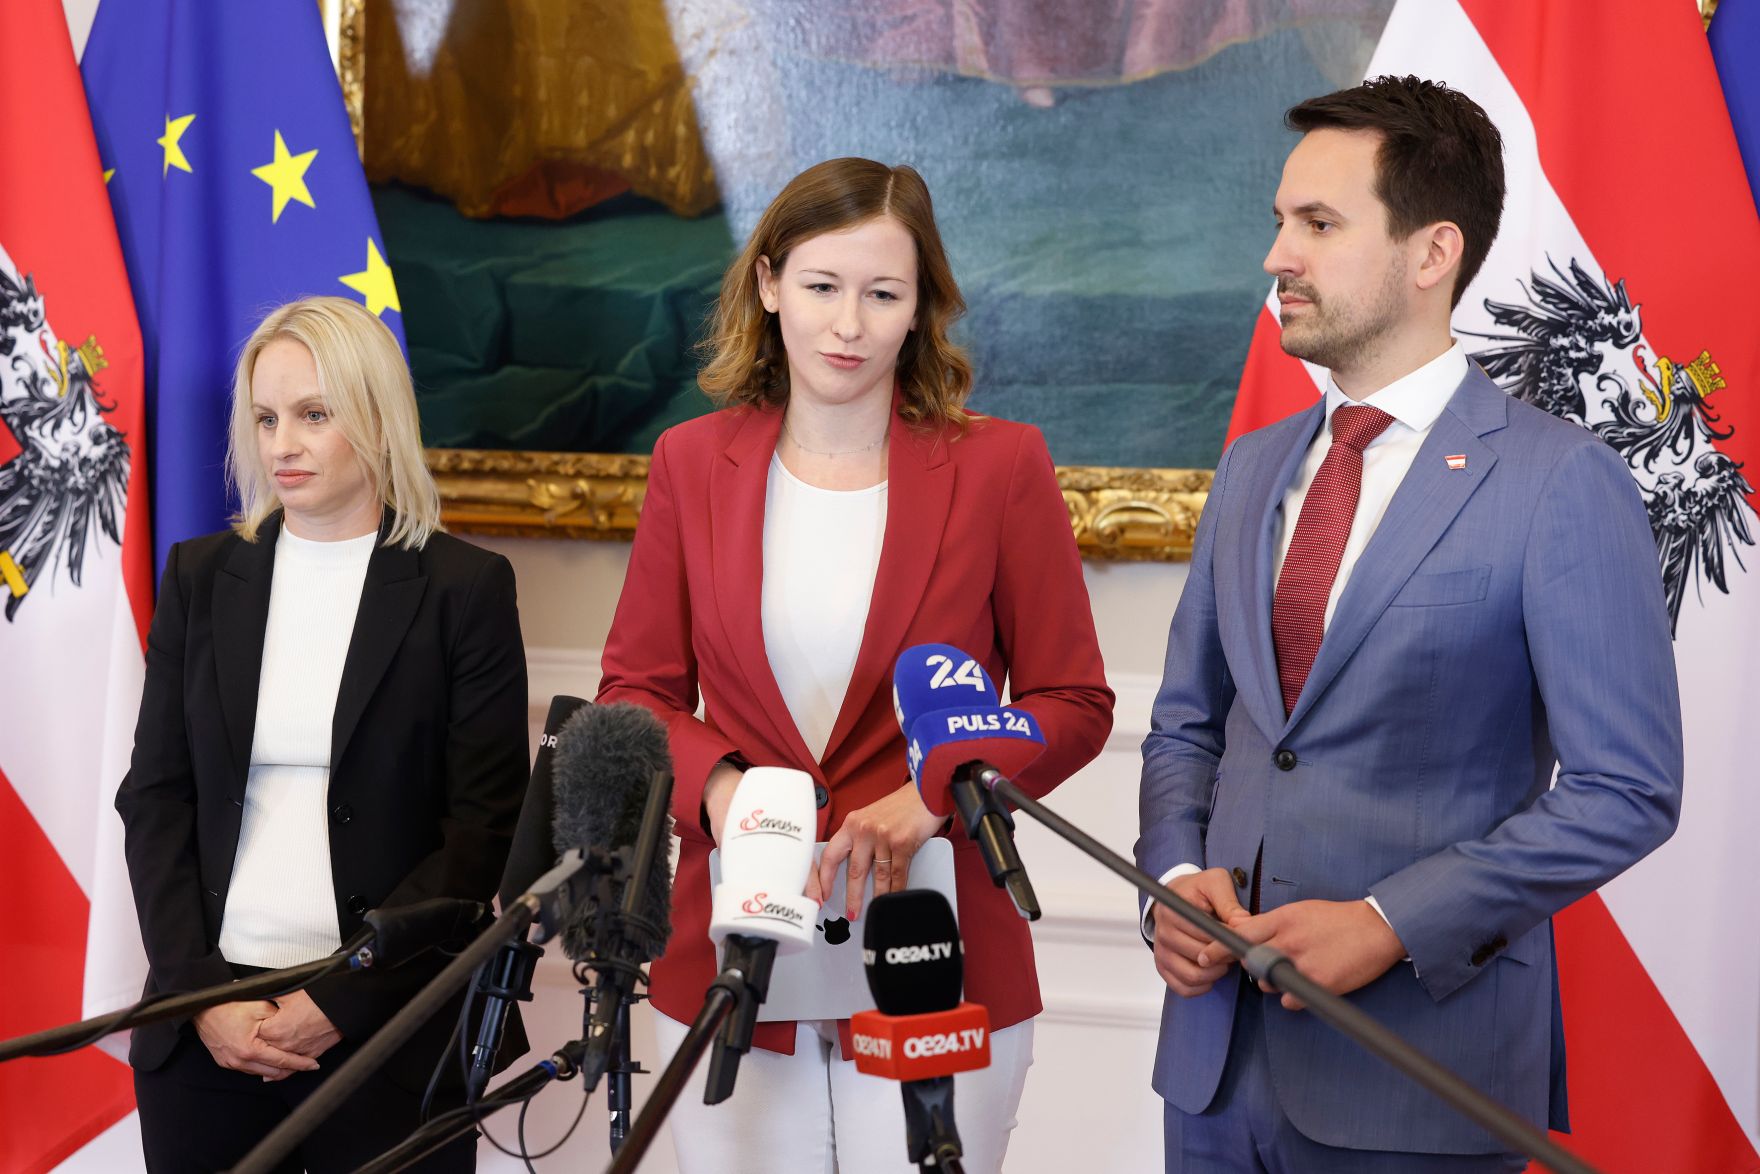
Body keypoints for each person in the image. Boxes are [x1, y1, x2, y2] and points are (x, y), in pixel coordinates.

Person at [1136, 76, 1683, 1172]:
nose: (1274, 255)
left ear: (1430, 253)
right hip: (1207, 1073)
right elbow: (1188, 726)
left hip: (1419, 1077)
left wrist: (1388, 920)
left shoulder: (1558, 483)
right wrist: (1171, 871)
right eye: (1278, 221)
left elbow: (1626, 790)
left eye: (1317, 225)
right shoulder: (1250, 469)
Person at [597, 156, 1114, 1172]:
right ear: (768, 285)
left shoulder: (1000, 466)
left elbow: (1074, 699)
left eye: (882, 294)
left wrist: (936, 793)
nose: (848, 325)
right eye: (822, 287)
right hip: (733, 946)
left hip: (938, 941)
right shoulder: (691, 463)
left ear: (919, 310)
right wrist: (731, 790)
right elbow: (635, 693)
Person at [115, 296, 530, 1172]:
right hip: (206, 1037)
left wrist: (344, 996)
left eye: (313, 415)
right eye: (266, 419)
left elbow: (481, 832)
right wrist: (201, 998)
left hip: (390, 1036)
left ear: (376, 418)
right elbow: (155, 799)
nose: (281, 445)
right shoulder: (200, 576)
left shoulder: (466, 589)